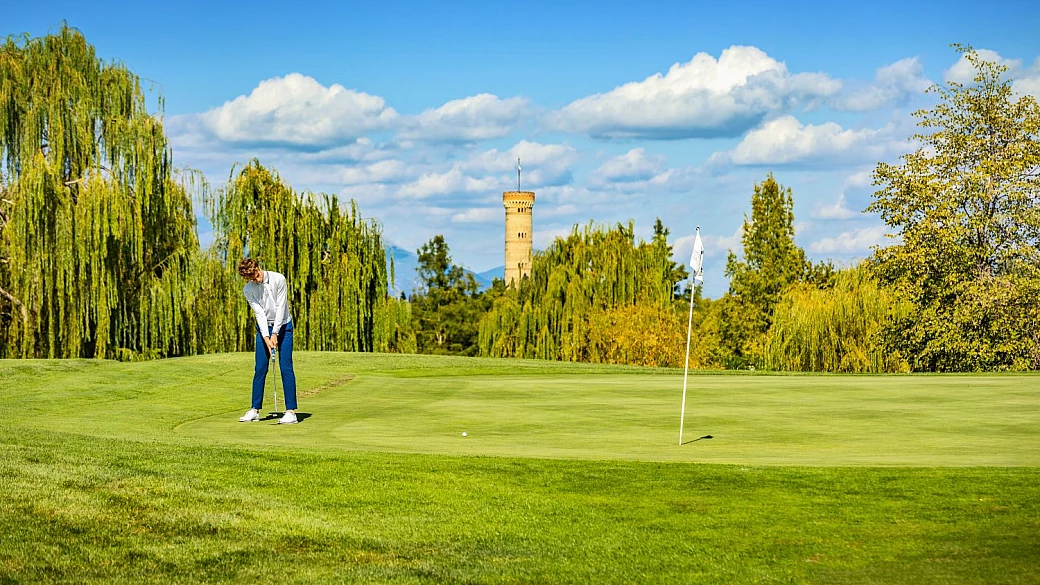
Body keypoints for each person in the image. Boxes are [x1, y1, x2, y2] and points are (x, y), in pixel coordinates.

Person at [236, 258, 299, 424]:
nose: (256, 279)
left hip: (284, 326)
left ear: (258, 267)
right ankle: (255, 410)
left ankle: (291, 412)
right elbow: (259, 314)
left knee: (285, 367)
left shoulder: (279, 279)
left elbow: (281, 308)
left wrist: (275, 333)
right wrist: (266, 337)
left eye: (256, 275)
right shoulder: (248, 289)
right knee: (260, 368)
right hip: (264, 329)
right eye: (251, 278)